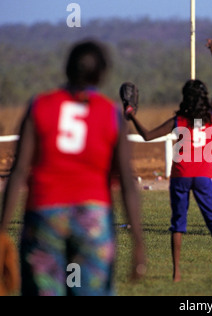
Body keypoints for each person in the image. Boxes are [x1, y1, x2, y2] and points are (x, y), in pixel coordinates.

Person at [0, 40, 146, 296]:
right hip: (92, 217)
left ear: (67, 68)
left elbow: (19, 171)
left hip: (45, 213)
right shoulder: (110, 113)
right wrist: (138, 244)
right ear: (101, 73)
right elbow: (126, 182)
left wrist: (1, 230)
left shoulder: (40, 106)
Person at [126, 38, 212, 283]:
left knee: (178, 222)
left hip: (180, 174)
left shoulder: (178, 120)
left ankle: (176, 274)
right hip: (202, 174)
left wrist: (132, 116)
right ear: (203, 98)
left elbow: (147, 136)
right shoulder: (211, 116)